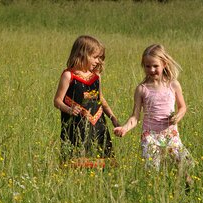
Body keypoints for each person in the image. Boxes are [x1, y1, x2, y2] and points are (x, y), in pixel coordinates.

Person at [114, 44, 193, 173]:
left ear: (164, 64)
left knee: (184, 167)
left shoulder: (173, 84)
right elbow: (135, 117)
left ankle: (187, 188)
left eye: (155, 66)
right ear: (143, 66)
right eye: (147, 66)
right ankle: (155, 190)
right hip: (150, 136)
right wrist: (125, 128)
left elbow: (182, 107)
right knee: (152, 171)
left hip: (170, 134)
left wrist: (178, 116)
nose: (151, 70)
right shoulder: (142, 89)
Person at [54, 35, 119, 166]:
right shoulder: (69, 75)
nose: (98, 61)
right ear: (82, 54)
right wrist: (69, 109)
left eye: (100, 58)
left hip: (99, 125)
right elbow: (57, 101)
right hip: (76, 125)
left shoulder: (96, 77)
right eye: (95, 57)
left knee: (103, 161)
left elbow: (100, 99)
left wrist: (112, 117)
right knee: (76, 160)